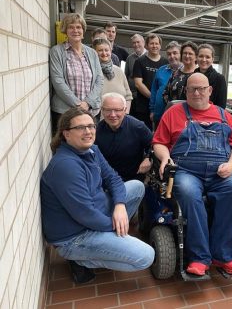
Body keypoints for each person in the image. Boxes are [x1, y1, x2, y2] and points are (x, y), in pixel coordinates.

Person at [40, 108, 154, 284]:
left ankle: (111, 237)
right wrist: (116, 227)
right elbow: (85, 214)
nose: (88, 131)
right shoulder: (66, 166)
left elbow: (114, 179)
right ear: (66, 134)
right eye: (80, 128)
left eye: (91, 126)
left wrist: (120, 206)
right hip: (75, 237)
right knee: (146, 256)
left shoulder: (92, 150)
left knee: (137, 186)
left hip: (94, 214)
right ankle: (80, 260)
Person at [153, 73, 232, 276]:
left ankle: (224, 255)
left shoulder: (223, 115)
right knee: (188, 193)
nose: (197, 92)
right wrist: (165, 157)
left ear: (210, 91)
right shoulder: (173, 113)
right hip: (186, 171)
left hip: (219, 172)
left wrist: (231, 165)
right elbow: (159, 142)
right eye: (192, 89)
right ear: (185, 91)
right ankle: (199, 257)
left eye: (201, 88)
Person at [49, 13, 103, 132]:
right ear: (65, 30)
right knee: (67, 146)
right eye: (71, 27)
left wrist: (87, 103)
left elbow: (99, 80)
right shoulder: (56, 52)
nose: (75, 30)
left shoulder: (92, 53)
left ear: (83, 30)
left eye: (78, 27)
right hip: (65, 112)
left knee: (88, 145)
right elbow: (58, 81)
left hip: (91, 111)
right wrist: (78, 105)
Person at [96, 93, 152, 182]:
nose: (113, 115)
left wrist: (148, 158)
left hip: (132, 179)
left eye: (117, 110)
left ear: (125, 110)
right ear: (102, 110)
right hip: (105, 180)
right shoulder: (96, 130)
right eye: (108, 110)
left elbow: (153, 145)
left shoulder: (138, 127)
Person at [133, 33, 168, 130]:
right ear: (147, 45)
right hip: (143, 106)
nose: (154, 46)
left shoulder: (166, 63)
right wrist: (153, 97)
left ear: (160, 46)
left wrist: (158, 101)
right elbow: (138, 84)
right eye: (152, 43)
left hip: (161, 106)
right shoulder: (140, 61)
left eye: (157, 43)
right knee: (143, 131)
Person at [93, 38, 132, 113]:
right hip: (98, 118)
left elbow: (128, 95)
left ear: (110, 51)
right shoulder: (91, 71)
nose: (104, 53)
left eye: (106, 50)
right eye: (100, 50)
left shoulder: (119, 71)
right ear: (94, 52)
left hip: (120, 118)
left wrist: (125, 113)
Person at [149, 41, 182, 129]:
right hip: (159, 115)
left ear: (181, 54)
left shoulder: (185, 72)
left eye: (175, 53)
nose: (172, 56)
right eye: (169, 54)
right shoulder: (161, 70)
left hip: (178, 117)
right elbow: (154, 91)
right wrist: (152, 110)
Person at [195, 43, 227, 108]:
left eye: (207, 57)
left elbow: (221, 106)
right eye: (201, 56)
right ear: (196, 58)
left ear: (212, 59)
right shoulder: (191, 77)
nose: (204, 59)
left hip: (211, 116)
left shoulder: (219, 79)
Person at [125, 34, 146, 117]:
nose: (136, 44)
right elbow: (126, 76)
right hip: (132, 97)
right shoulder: (129, 58)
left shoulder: (149, 56)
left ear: (143, 43)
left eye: (138, 42)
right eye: (134, 43)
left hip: (145, 97)